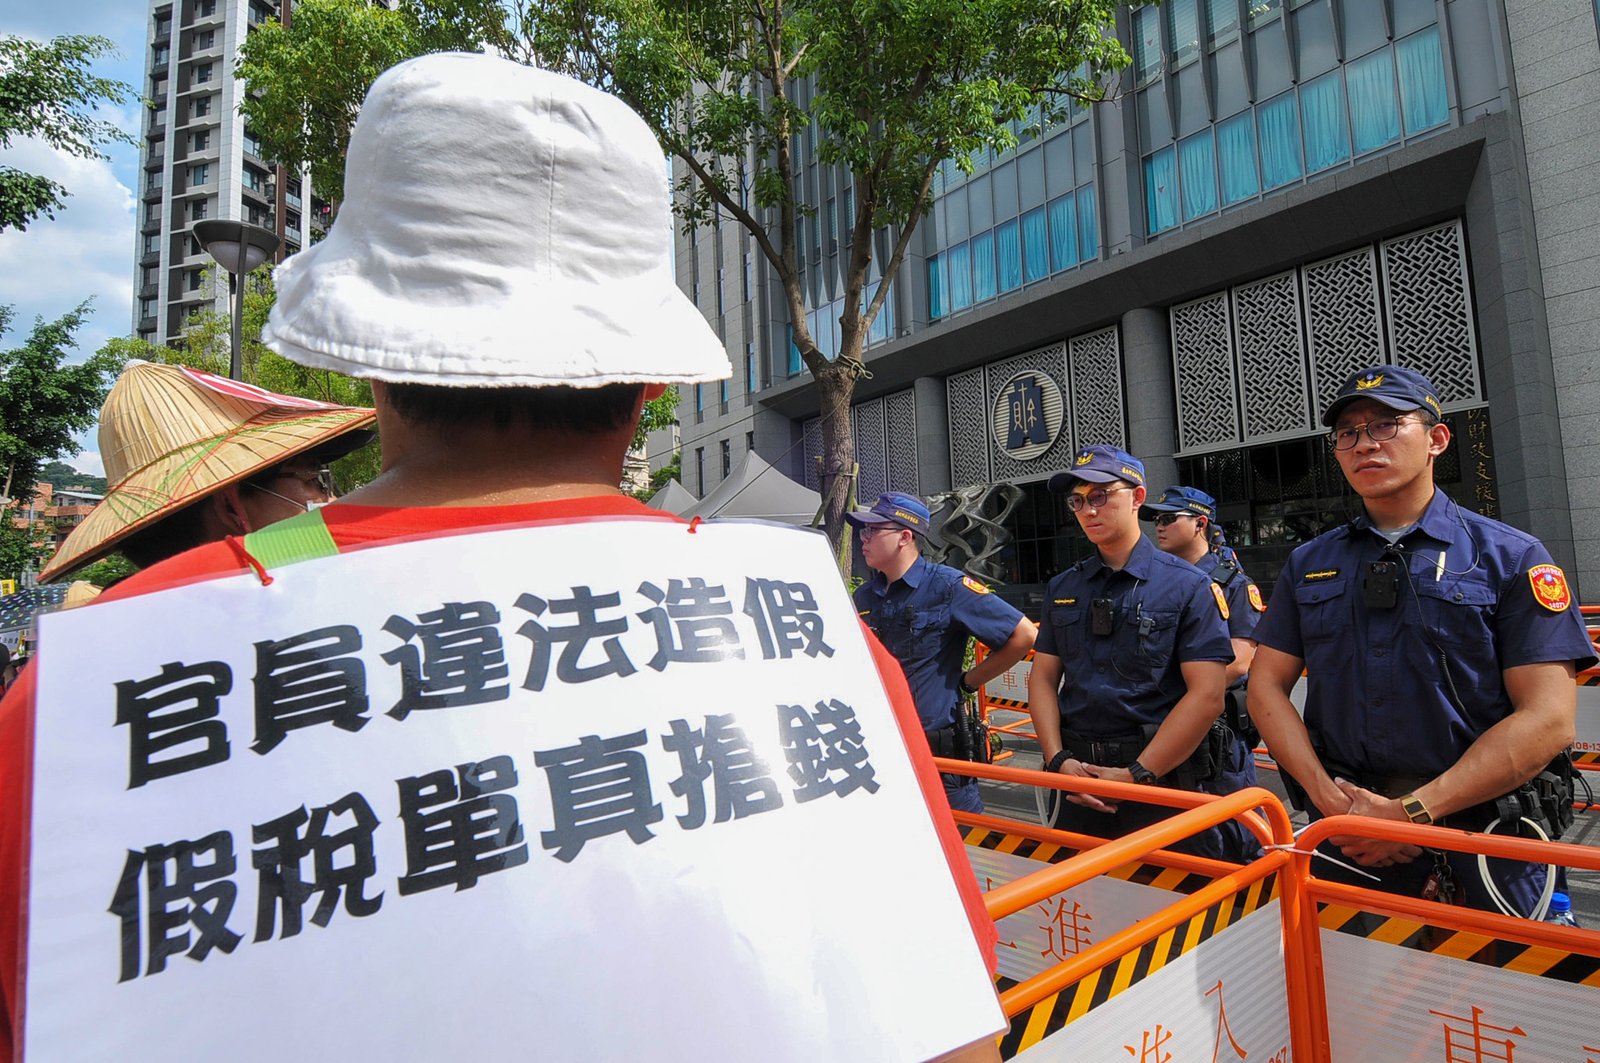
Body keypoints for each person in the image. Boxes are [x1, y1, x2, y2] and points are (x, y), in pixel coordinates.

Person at [0, 54, 1001, 1061]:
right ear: (652, 379)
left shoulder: (86, 709)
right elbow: (945, 1027)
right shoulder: (808, 640)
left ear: (370, 353)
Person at [1249, 365, 1596, 915]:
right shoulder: (1309, 562)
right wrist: (1329, 800)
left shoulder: (1510, 556)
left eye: (1385, 425)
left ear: (1436, 439)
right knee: (1338, 969)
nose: (1365, 444)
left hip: (1482, 831)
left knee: (1503, 971)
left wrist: (1409, 813)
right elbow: (1265, 686)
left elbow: (1549, 717)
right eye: (1348, 433)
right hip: (1346, 829)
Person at [1028, 446, 1252, 862]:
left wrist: (1138, 773)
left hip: (1161, 781)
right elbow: (1042, 678)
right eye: (1077, 500)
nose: (1088, 510)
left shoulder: (1188, 586)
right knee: (1080, 896)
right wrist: (1057, 759)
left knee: (1176, 895)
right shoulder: (1063, 587)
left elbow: (1206, 695)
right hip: (1077, 778)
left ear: (1137, 498)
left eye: (1100, 496)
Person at [37, 359, 376, 585]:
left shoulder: (93, 647)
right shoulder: (333, 623)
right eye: (315, 480)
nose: (332, 500)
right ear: (231, 507)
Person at [850, 491, 1037, 813]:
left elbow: (1024, 634)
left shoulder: (948, 587)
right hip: (882, 751)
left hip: (939, 757)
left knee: (962, 839)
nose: (863, 539)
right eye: (864, 531)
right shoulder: (865, 597)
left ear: (905, 537)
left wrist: (969, 681)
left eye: (873, 530)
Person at [1144, 485, 1263, 778]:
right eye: (1157, 520)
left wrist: (1181, 697)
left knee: (1226, 806)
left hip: (1216, 732)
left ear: (1200, 523)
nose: (1159, 527)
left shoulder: (1234, 584)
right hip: (1161, 723)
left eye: (1169, 519)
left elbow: (1239, 662)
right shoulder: (1156, 583)